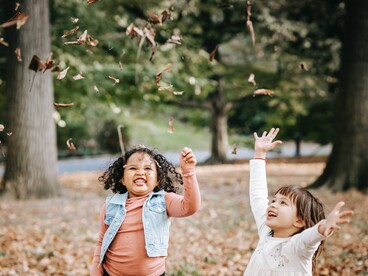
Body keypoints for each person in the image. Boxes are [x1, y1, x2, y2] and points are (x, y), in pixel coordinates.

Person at [244, 128, 353, 276]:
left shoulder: (298, 246)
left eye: (283, 203)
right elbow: (258, 195)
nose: (273, 204)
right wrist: (259, 155)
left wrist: (323, 226)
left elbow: (312, 236)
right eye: (274, 200)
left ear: (299, 220)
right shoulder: (266, 232)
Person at [90, 145, 201, 276]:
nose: (140, 172)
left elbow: (190, 207)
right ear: (122, 179)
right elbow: (102, 240)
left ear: (157, 179)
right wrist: (96, 269)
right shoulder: (111, 204)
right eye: (133, 168)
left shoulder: (163, 200)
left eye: (148, 168)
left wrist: (189, 173)